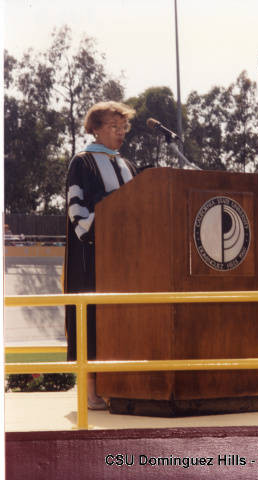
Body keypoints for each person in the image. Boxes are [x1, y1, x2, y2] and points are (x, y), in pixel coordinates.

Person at [64, 101, 137, 409]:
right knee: (92, 319)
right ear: (94, 128)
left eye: (124, 128)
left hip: (129, 259)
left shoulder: (126, 164)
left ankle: (122, 384)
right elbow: (76, 209)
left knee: (124, 319)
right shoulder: (82, 162)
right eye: (114, 127)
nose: (121, 133)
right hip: (92, 256)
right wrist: (99, 228)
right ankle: (90, 388)